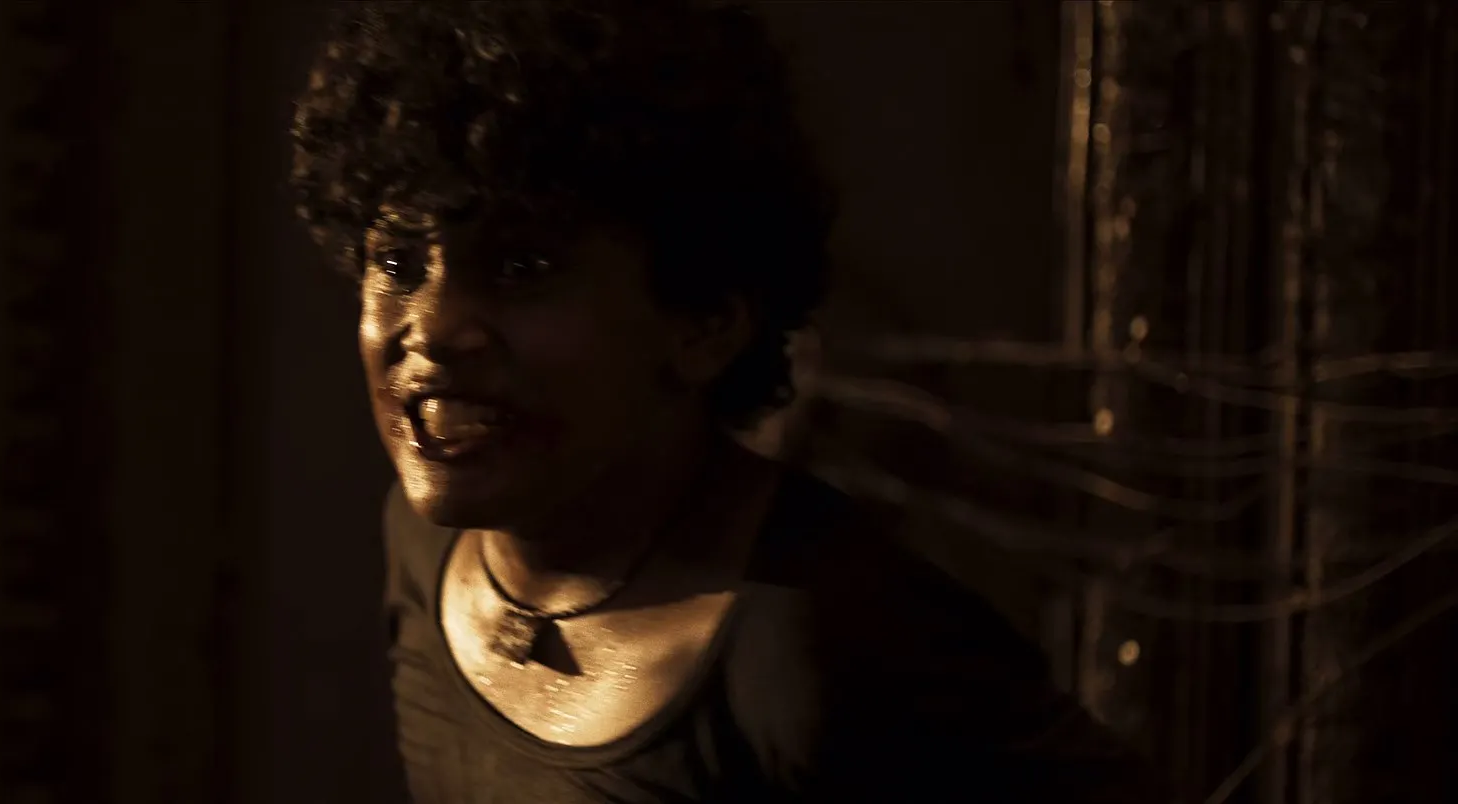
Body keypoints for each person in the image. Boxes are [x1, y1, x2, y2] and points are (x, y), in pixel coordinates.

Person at [290, 2, 1175, 801]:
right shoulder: (425, 548)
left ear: (703, 322)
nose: (434, 327)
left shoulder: (825, 649)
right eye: (399, 263)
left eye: (521, 267)